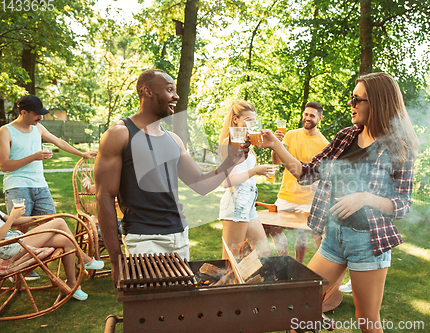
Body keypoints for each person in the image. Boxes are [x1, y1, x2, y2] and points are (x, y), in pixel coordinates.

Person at [258, 72, 418, 332]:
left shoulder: (399, 148)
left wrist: (365, 198)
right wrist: (276, 145)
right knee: (301, 306)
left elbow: (403, 205)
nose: (351, 104)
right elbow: (306, 172)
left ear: (376, 103)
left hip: (367, 242)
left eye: (357, 99)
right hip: (333, 237)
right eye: (352, 99)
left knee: (367, 320)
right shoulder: (346, 137)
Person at [95, 69, 249, 287]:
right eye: (169, 90)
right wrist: (115, 258)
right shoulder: (120, 134)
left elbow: (200, 184)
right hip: (144, 239)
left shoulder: (174, 140)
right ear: (146, 91)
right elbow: (104, 198)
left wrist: (231, 162)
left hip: (179, 237)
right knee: (150, 309)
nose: (176, 96)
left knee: (177, 308)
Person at [0, 95, 97, 216]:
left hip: (41, 185)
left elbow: (59, 142)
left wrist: (81, 153)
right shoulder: (5, 131)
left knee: (52, 224)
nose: (41, 117)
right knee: (21, 229)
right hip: (17, 186)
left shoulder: (38, 128)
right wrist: (34, 157)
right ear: (23, 112)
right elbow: (4, 166)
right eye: (37, 114)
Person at [0, 206, 104, 301]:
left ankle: (72, 284)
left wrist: (41, 218)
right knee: (59, 222)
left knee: (66, 240)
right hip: (9, 248)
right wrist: (12, 217)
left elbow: (11, 220)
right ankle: (84, 259)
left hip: (17, 240)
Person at [269, 101, 328, 263]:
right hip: (286, 196)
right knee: (272, 227)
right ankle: (285, 261)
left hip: (307, 200)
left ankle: (298, 265)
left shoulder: (324, 144)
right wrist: (276, 144)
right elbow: (276, 161)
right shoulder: (290, 135)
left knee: (302, 237)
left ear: (320, 118)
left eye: (312, 115)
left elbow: (324, 174)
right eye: (306, 114)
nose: (307, 118)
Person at [218, 101, 273, 259]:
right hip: (235, 204)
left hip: (247, 204)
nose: (252, 125)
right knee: (230, 260)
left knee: (263, 253)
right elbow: (226, 182)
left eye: (253, 121)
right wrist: (255, 171)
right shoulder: (229, 144)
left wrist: (259, 172)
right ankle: (223, 284)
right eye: (248, 120)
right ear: (235, 119)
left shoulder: (244, 143)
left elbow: (243, 171)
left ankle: (247, 282)